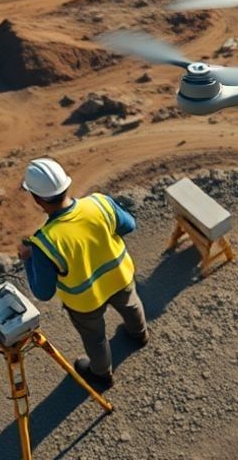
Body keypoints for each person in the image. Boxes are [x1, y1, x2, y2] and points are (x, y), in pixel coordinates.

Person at [17, 158, 147, 390]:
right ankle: (139, 334)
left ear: (37, 199)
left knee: (95, 338)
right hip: (120, 278)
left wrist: (29, 258)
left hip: (85, 302)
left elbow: (43, 292)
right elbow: (129, 225)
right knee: (131, 305)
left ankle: (102, 375)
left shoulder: (44, 242)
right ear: (66, 185)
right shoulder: (99, 203)